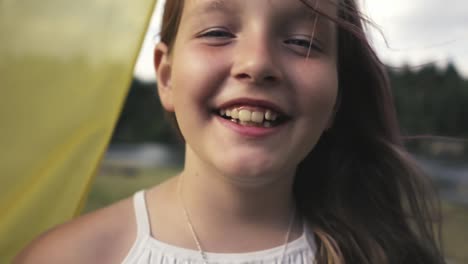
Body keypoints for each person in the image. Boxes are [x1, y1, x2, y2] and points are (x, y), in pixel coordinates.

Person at [15, 0, 445, 263]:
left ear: (336, 97)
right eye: (218, 32)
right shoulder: (68, 257)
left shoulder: (385, 253)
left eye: (301, 41)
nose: (257, 63)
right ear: (166, 77)